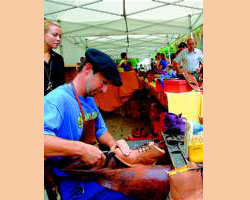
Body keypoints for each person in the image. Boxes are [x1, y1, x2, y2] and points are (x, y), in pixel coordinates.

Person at [44, 48, 138, 200]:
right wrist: (81, 149)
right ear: (88, 69)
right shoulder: (57, 100)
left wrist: (113, 144)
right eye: (104, 82)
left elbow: (100, 131)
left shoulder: (90, 100)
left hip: (93, 174)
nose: (105, 90)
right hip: (72, 182)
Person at [44, 20, 65, 95]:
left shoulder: (58, 58)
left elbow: (61, 85)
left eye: (60, 36)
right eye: (55, 35)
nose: (59, 39)